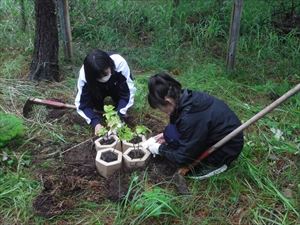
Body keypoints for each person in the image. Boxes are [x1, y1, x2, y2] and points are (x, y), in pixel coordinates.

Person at [145, 73, 244, 179]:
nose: (163, 112)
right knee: (170, 133)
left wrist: (159, 149)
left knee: (187, 166)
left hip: (225, 148)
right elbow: (178, 122)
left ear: (168, 101)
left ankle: (218, 165)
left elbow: (182, 157)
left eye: (161, 109)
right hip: (209, 132)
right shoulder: (184, 97)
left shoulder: (191, 117)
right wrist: (164, 136)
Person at [75, 49, 136, 135]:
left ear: (110, 65)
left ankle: (119, 108)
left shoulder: (119, 63)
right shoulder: (85, 75)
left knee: (120, 102)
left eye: (106, 73)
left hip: (115, 84)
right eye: (99, 77)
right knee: (97, 106)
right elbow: (83, 105)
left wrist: (119, 115)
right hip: (96, 88)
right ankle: (98, 107)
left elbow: (128, 93)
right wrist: (95, 123)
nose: (103, 78)